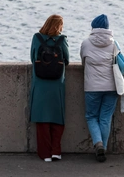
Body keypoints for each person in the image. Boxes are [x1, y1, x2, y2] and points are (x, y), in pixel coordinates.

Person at [80, 14, 121, 162]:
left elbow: (83, 62)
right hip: (112, 87)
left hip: (92, 87)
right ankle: (103, 148)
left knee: (91, 116)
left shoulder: (86, 43)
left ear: (93, 27)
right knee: (105, 118)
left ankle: (98, 144)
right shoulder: (114, 44)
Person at [29, 14, 70, 162]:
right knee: (57, 118)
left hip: (40, 83)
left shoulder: (36, 38)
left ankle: (45, 154)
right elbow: (67, 59)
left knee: (42, 119)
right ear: (59, 26)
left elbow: (33, 57)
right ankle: (56, 152)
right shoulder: (62, 40)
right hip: (57, 83)